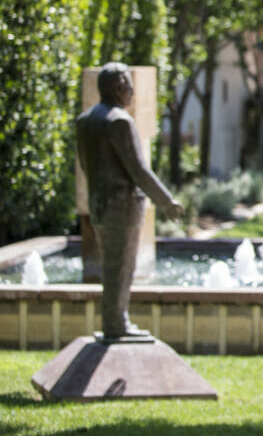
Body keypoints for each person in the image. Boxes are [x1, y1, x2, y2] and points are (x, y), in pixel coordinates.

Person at [75, 63, 183, 340]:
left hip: (99, 204)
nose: (132, 92)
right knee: (121, 269)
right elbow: (139, 170)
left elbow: (86, 166)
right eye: (129, 86)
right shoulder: (119, 120)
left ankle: (115, 320)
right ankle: (116, 324)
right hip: (121, 208)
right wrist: (167, 201)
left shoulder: (86, 121)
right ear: (120, 87)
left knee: (112, 268)